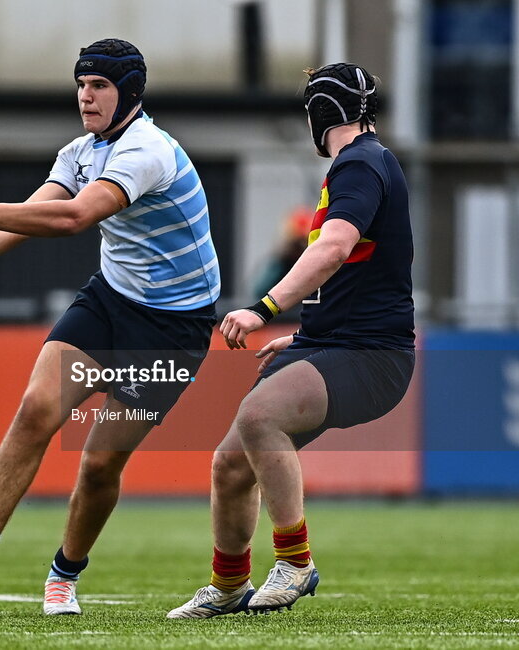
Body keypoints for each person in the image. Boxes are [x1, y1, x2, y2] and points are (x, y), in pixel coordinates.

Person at [0, 38, 220, 616]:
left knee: (98, 465)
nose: (85, 96)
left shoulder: (147, 151)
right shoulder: (78, 152)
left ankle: (63, 576)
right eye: (81, 85)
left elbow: (74, 217)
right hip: (110, 301)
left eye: (100, 86)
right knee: (38, 408)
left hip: (174, 328)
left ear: (131, 93)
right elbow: (38, 207)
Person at [167, 63, 415, 619]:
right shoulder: (365, 163)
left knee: (260, 418)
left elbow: (332, 251)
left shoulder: (360, 163)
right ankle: (229, 586)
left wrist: (264, 310)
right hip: (334, 343)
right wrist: (304, 334)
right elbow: (355, 275)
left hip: (371, 355)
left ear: (319, 113)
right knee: (231, 465)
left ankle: (295, 563)